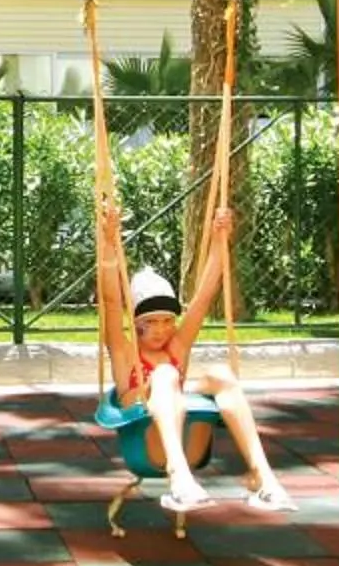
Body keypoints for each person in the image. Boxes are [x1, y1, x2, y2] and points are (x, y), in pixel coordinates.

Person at [96, 199, 294, 515]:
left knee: (221, 375)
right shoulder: (124, 353)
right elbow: (109, 301)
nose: (162, 330)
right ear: (134, 323)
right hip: (146, 446)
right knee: (165, 375)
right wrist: (108, 240)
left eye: (167, 320)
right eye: (151, 322)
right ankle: (179, 479)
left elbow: (203, 296)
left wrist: (220, 238)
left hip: (190, 445)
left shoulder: (176, 347)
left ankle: (263, 477)